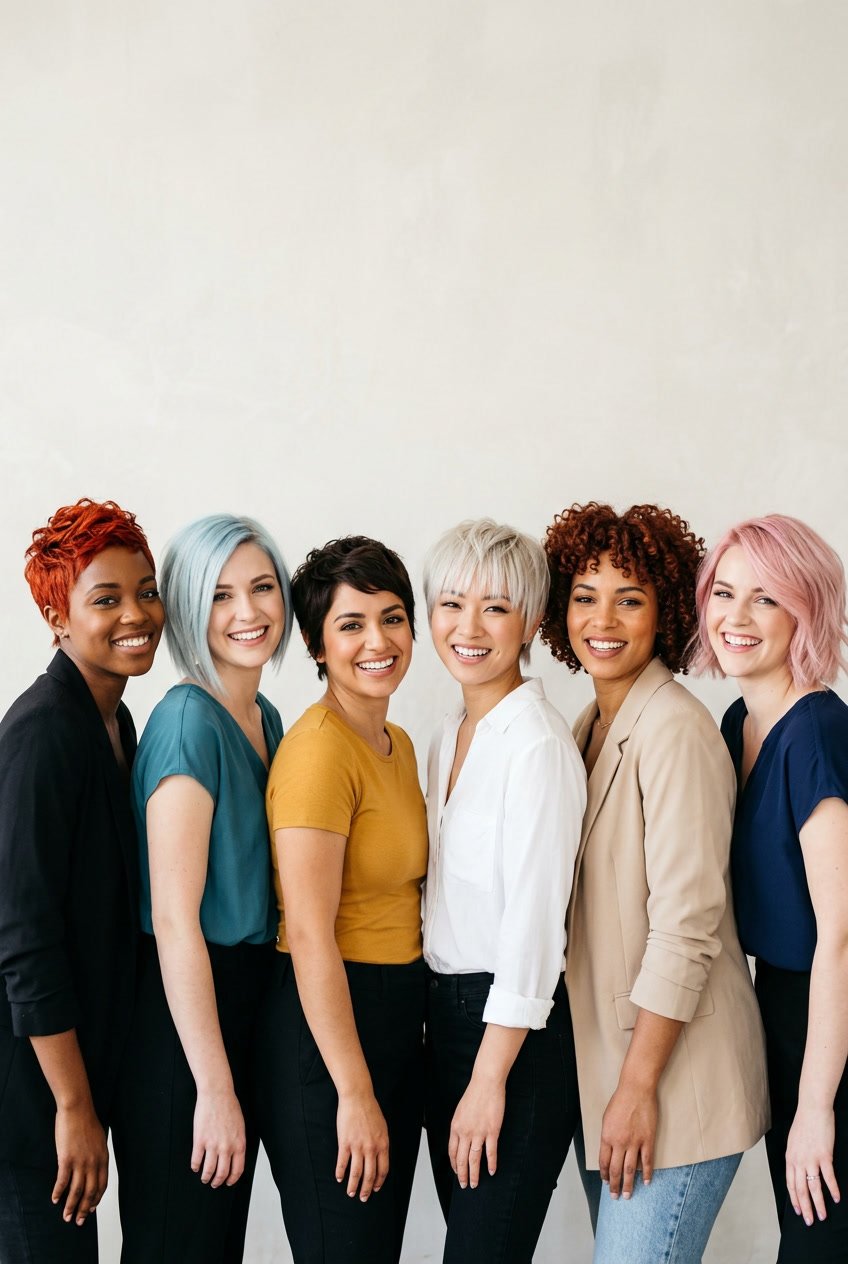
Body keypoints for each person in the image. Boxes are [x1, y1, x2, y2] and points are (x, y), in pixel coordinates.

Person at [541, 501, 769, 1264]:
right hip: (609, 1073)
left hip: (674, 1080)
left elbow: (686, 928)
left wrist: (637, 1089)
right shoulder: (588, 725)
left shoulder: (674, 730)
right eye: (584, 595)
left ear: (665, 611)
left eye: (629, 599)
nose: (602, 619)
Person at [112, 514, 292, 1264]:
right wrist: (213, 1088)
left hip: (240, 1007)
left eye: (261, 587)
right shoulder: (187, 723)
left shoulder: (264, 717)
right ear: (188, 607)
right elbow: (173, 921)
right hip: (183, 1028)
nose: (247, 611)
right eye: (219, 595)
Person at [255, 536, 428, 1264]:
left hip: (394, 1017)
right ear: (316, 644)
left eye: (392, 618)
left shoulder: (398, 743)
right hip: (328, 1031)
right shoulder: (318, 752)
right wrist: (352, 1092)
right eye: (351, 625)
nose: (377, 642)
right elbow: (309, 933)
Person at [0, 498, 163, 1263]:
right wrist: (71, 1106)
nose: (136, 614)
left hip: (76, 1086)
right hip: (29, 1102)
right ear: (56, 617)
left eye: (146, 591)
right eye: (107, 599)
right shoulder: (42, 734)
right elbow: (24, 940)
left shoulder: (115, 723)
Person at [421, 518, 586, 1263]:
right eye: (451, 604)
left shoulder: (539, 745)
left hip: (514, 1039)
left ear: (532, 619)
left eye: (496, 607)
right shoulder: (445, 734)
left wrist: (489, 1080)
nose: (469, 627)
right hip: (443, 1024)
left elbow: (534, 929)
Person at [693, 513, 848, 1263]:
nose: (737, 617)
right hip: (783, 1011)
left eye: (766, 598)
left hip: (831, 1019)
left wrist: (818, 1107)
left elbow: (841, 938)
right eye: (725, 593)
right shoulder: (737, 723)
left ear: (805, 610)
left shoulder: (816, 734)